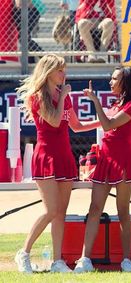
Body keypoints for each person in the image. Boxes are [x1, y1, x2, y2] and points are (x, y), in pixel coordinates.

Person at [14, 54, 100, 274]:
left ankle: (57, 261)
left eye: (64, 70)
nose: (64, 74)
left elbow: (76, 126)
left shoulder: (65, 97)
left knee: (61, 212)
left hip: (64, 156)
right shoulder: (38, 96)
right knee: (51, 210)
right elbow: (53, 120)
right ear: (48, 72)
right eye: (60, 70)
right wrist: (63, 97)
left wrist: (104, 120)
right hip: (46, 156)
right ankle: (23, 252)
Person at [74, 66, 131, 272]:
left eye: (115, 79)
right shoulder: (117, 103)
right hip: (105, 159)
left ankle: (125, 260)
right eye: (111, 78)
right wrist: (75, 124)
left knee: (123, 211)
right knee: (94, 209)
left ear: (127, 82)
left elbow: (108, 125)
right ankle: (84, 259)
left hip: (123, 160)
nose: (111, 82)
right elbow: (97, 124)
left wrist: (95, 101)